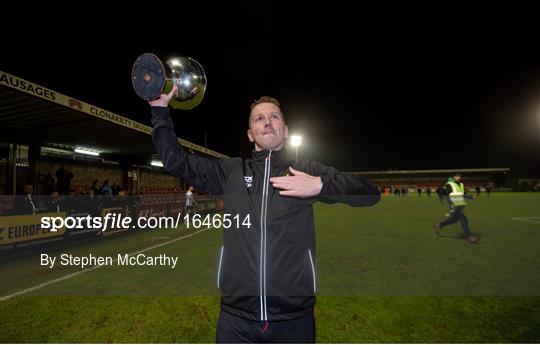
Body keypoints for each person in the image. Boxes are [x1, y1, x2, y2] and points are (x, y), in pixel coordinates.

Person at [149, 86, 380, 343]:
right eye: (259, 118)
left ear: (286, 130)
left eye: (274, 117)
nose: (267, 122)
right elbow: (175, 161)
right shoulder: (230, 172)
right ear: (250, 134)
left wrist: (321, 185)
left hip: (294, 319)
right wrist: (159, 111)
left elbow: (370, 194)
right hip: (236, 319)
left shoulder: (306, 171)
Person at [433, 173, 478, 243]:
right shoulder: (449, 184)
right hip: (455, 205)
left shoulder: (460, 184)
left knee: (454, 220)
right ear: (453, 177)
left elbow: (461, 194)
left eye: (459, 176)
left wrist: (470, 197)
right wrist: (451, 205)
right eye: (457, 176)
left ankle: (439, 225)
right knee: (464, 220)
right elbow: (447, 195)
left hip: (460, 204)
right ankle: (469, 237)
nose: (458, 177)